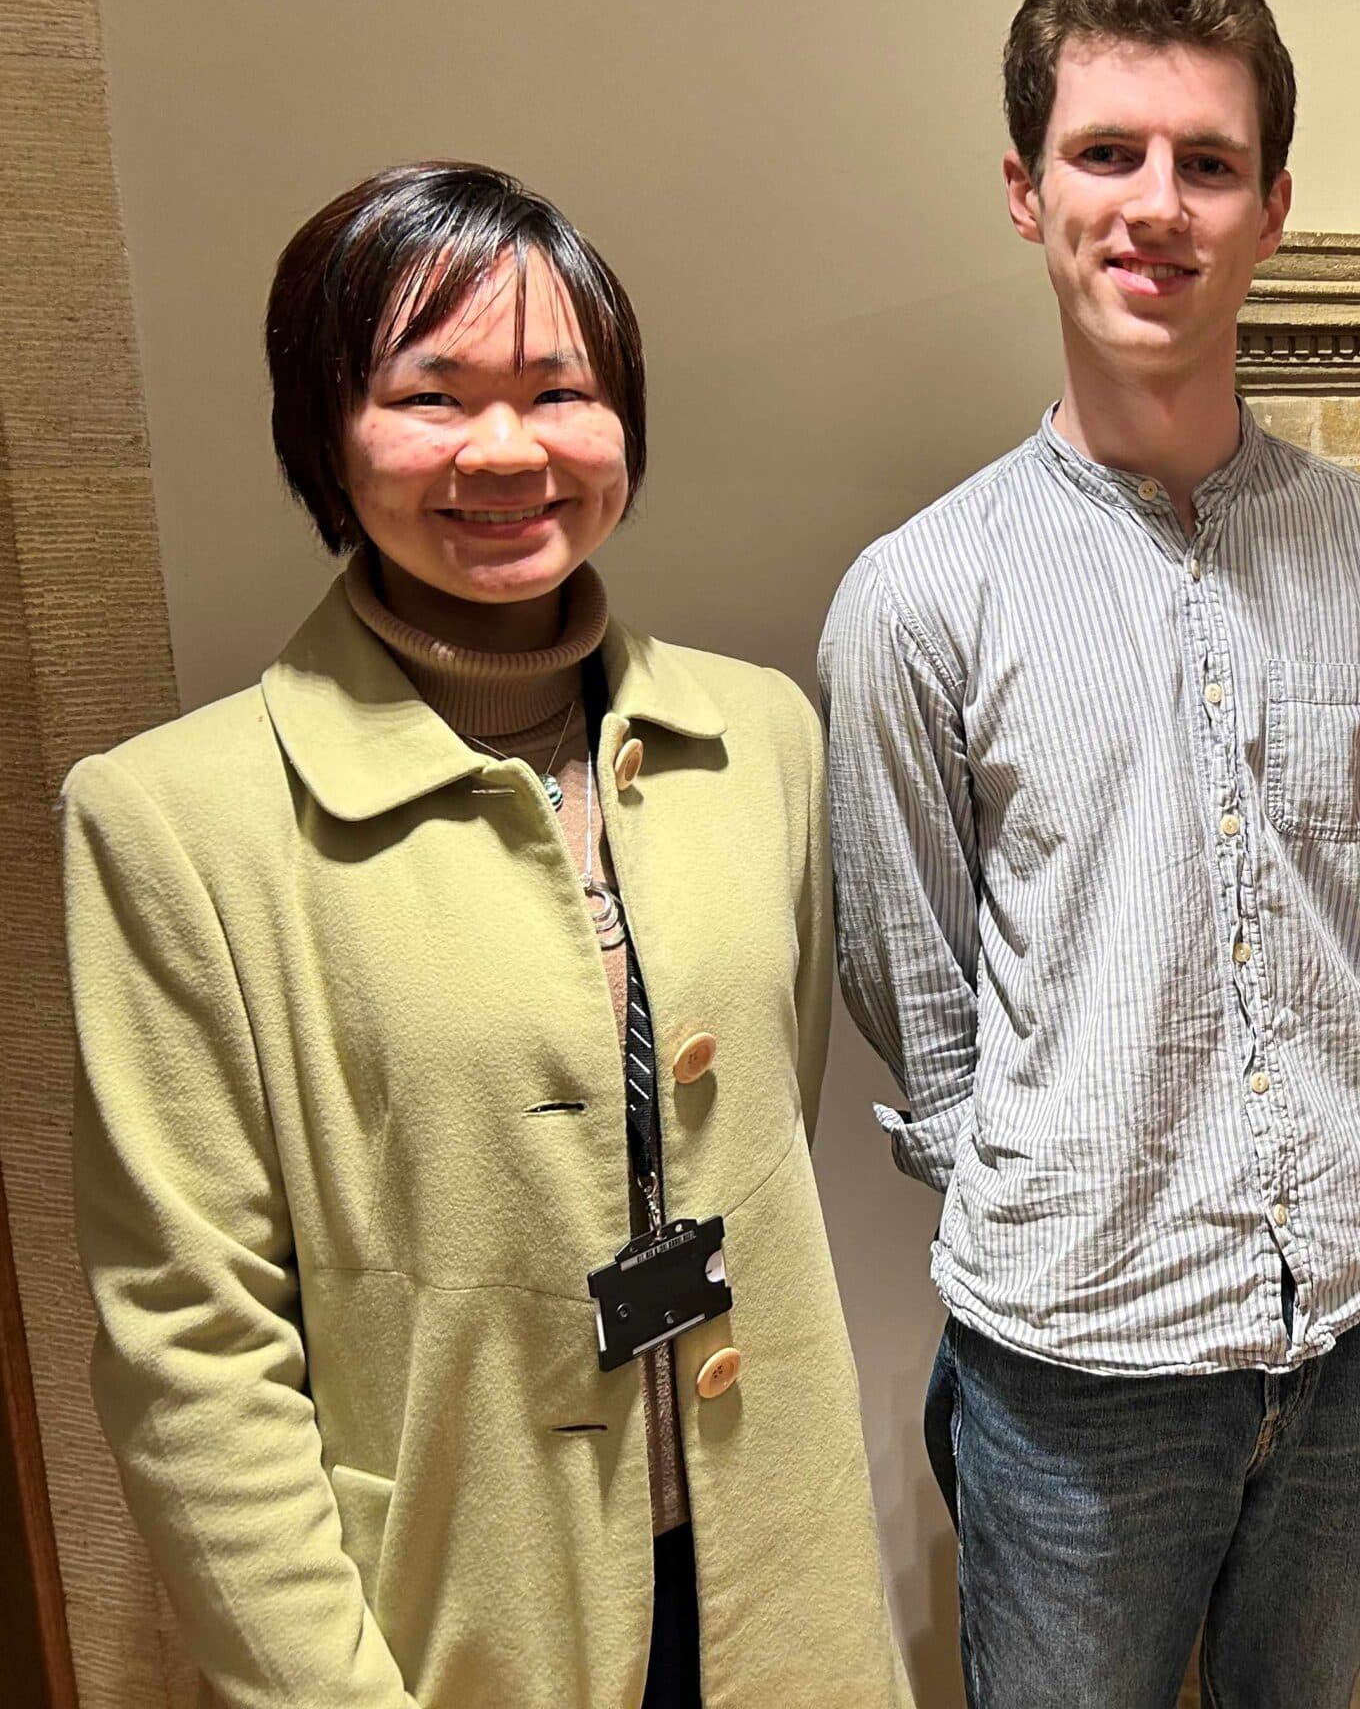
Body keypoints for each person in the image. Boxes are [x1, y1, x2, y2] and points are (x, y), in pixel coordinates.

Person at [65, 163, 911, 1709]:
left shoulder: (762, 737)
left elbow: (751, 1131)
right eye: (432, 395)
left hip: (764, 1574)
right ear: (327, 430)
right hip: (442, 1609)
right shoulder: (172, 823)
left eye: (559, 390)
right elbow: (191, 1346)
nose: (507, 451)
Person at [819, 0, 1360, 1709]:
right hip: (1081, 1359)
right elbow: (917, 992)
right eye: (1106, 155)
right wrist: (1070, 1187)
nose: (1156, 206)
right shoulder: (918, 596)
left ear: (1272, 208)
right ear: (1026, 193)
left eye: (1208, 162)